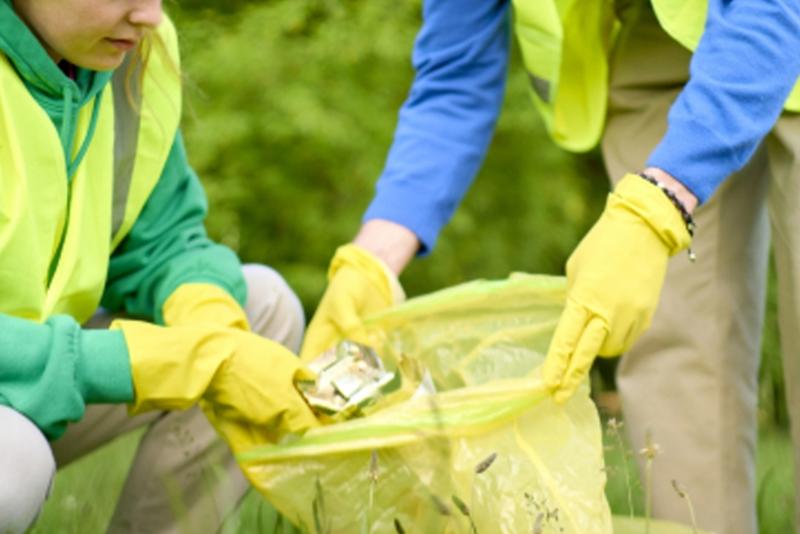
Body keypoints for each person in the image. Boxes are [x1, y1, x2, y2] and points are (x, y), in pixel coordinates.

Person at [300, 1, 800, 533]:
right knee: (669, 339)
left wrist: (662, 199)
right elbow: (454, 78)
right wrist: (371, 262)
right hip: (653, 45)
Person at [0, 1, 319, 533]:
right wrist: (148, 362)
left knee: (261, 311)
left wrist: (212, 324)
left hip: (43, 375)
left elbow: (162, 236)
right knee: (12, 461)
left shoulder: (125, 56)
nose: (149, 14)